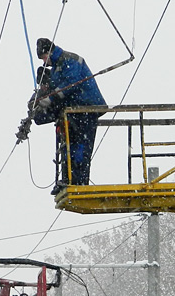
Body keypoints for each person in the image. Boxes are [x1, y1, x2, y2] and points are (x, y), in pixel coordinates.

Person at [17, 37, 107, 192]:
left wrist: (51, 98)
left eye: (44, 58)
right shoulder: (56, 69)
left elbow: (71, 84)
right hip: (73, 110)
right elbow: (50, 87)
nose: (44, 62)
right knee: (68, 146)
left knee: (80, 147)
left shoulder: (70, 60)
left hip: (86, 107)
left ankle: (78, 182)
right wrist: (36, 102)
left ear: (49, 52)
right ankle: (67, 179)